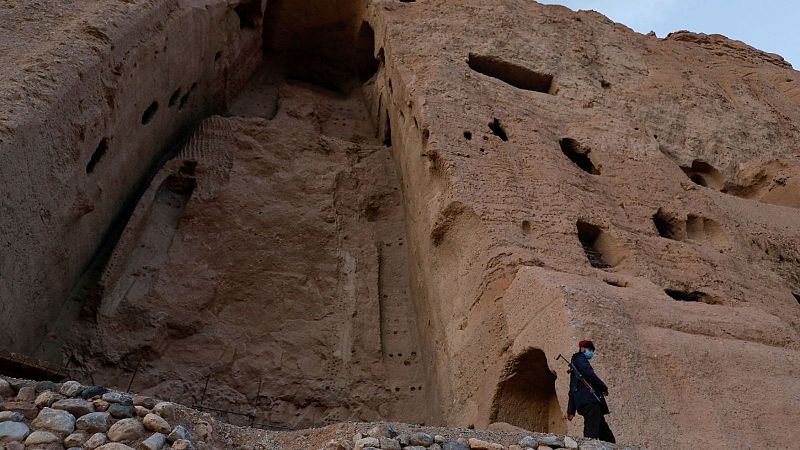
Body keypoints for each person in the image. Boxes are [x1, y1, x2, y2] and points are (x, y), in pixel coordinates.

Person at [566, 339, 615, 443]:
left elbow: (572, 390)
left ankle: (611, 445)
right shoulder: (580, 359)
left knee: (605, 433)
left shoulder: (575, 367)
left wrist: (571, 411)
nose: (591, 352)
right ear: (583, 349)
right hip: (590, 401)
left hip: (586, 403)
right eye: (590, 350)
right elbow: (590, 375)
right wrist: (604, 387)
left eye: (592, 351)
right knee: (591, 434)